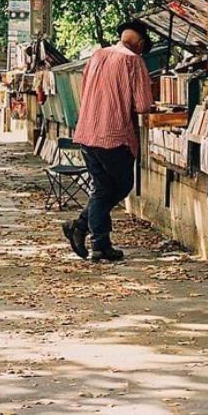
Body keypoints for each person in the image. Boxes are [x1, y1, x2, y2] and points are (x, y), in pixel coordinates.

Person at [63, 20, 154, 262]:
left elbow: (84, 91)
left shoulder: (97, 55)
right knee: (121, 186)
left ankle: (97, 241)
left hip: (87, 132)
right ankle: (84, 228)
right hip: (113, 136)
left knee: (103, 188)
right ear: (141, 44)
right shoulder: (133, 61)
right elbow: (144, 105)